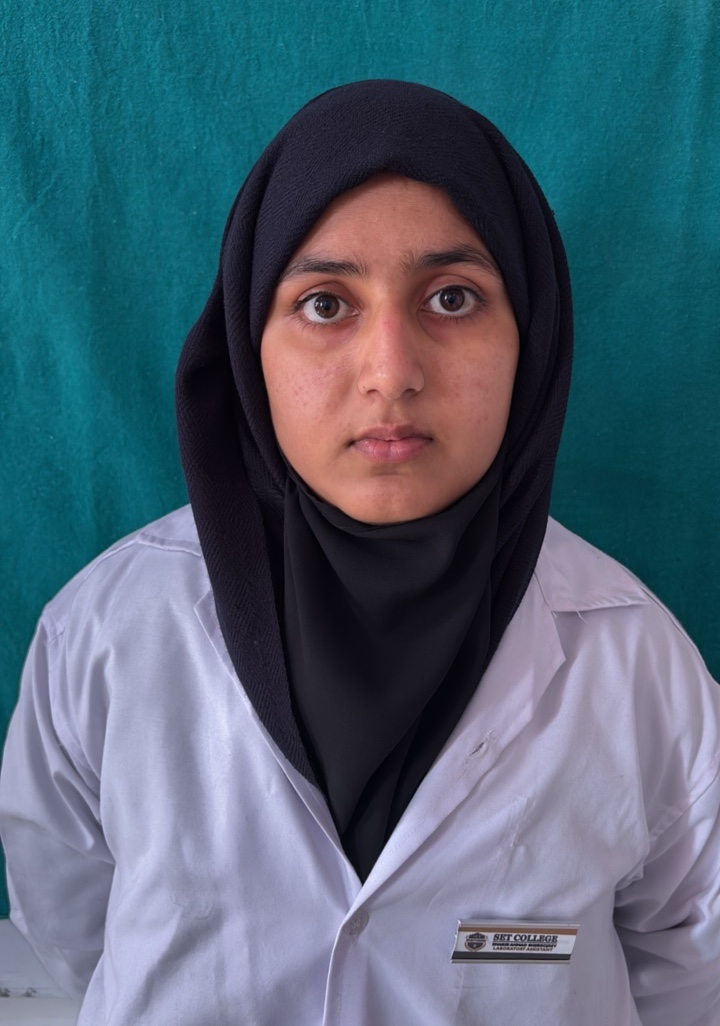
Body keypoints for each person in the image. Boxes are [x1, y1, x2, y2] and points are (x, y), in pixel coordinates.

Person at [1, 80, 719, 1026]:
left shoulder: (637, 665)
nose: (392, 372)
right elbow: (68, 930)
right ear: (247, 343)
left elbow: (689, 972)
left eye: (453, 297)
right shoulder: (103, 634)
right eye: (325, 303)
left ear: (533, 337)